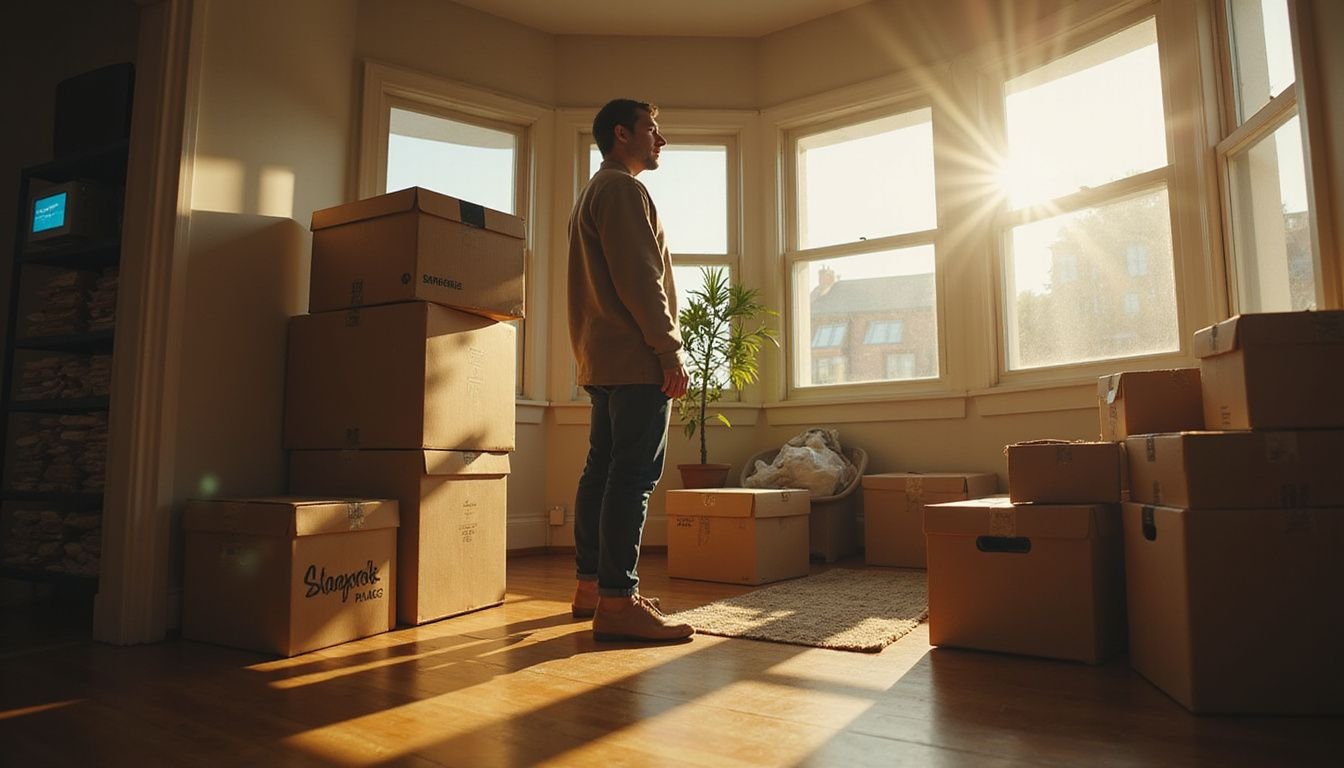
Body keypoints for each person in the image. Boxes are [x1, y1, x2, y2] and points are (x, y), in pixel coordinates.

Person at [566, 98, 694, 642]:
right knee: (632, 476)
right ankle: (618, 601)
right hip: (636, 358)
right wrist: (669, 349)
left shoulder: (593, 193)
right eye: (652, 128)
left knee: (604, 469)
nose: (660, 139)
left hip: (601, 356)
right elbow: (640, 279)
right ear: (622, 134)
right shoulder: (622, 189)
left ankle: (593, 588)